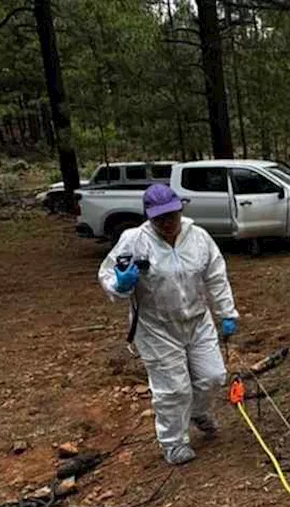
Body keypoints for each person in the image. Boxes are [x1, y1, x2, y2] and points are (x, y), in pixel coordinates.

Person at [98, 184, 239, 466]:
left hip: (198, 321)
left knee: (212, 376)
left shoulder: (198, 237)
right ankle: (173, 442)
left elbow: (215, 276)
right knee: (174, 389)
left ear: (180, 210)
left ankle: (198, 412)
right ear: (149, 216)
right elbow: (108, 275)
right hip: (156, 328)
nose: (166, 223)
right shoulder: (134, 240)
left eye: (171, 215)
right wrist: (120, 284)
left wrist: (226, 312)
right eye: (159, 218)